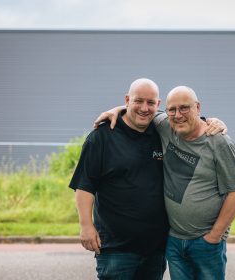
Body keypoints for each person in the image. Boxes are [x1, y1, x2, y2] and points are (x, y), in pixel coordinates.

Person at [69, 78, 226, 280]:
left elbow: (187, 121)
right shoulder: (102, 137)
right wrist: (86, 226)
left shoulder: (162, 131)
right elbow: (85, 186)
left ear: (158, 105)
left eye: (150, 103)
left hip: (155, 249)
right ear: (127, 100)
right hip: (117, 249)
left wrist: (212, 121)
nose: (144, 108)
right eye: (138, 101)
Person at [156, 86, 235, 280]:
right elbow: (140, 108)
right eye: (172, 109)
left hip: (205, 243)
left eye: (184, 108)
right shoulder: (165, 126)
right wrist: (113, 111)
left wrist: (214, 237)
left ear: (198, 107)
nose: (177, 115)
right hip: (174, 240)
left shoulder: (219, 142)